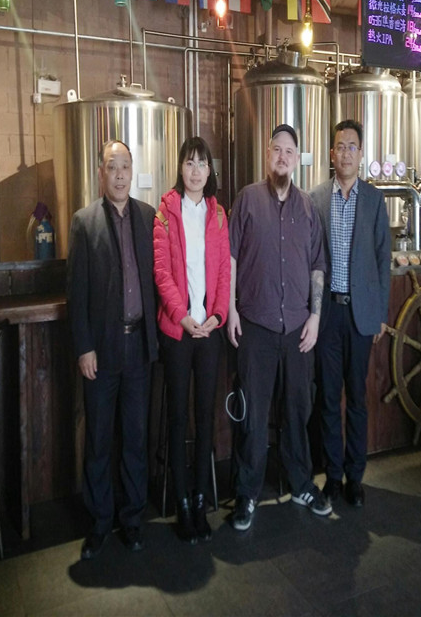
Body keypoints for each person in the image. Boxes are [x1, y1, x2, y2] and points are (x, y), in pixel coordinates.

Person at [227, 124, 330, 531]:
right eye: (277, 149)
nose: (282, 156)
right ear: (267, 155)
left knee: (298, 410)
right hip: (256, 325)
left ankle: (302, 484)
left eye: (289, 151)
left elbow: (318, 266)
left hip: (299, 329)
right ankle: (247, 494)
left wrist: (316, 317)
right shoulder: (247, 200)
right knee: (253, 415)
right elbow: (230, 259)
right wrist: (230, 309)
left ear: (297, 159)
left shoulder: (308, 208)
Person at [67, 139, 157, 559]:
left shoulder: (149, 217)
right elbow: (76, 292)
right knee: (100, 440)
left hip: (139, 345)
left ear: (132, 171)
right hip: (101, 351)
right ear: (100, 173)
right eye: (112, 167)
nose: (119, 175)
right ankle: (100, 522)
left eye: (125, 167)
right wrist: (84, 347)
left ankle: (133, 519)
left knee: (136, 438)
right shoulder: (84, 222)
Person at [310, 119, 391, 508]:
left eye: (352, 147)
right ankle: (333, 475)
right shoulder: (315, 198)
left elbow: (382, 259)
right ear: (332, 154)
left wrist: (379, 314)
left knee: (356, 398)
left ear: (361, 154)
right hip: (327, 314)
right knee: (328, 398)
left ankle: (355, 477)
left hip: (360, 317)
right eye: (340, 147)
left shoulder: (374, 200)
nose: (345, 153)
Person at [153, 137, 230, 544]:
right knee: (178, 418)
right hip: (178, 333)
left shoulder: (218, 214)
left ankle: (200, 500)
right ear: (180, 168)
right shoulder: (166, 212)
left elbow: (223, 273)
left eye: (202, 163)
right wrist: (182, 317)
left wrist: (217, 315)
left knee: (205, 418)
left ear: (209, 170)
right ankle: (182, 502)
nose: (196, 170)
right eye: (189, 162)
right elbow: (162, 272)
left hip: (210, 332)